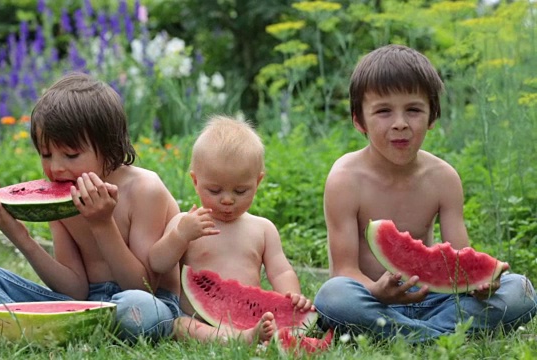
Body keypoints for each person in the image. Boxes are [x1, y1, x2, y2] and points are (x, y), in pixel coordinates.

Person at [314, 44, 537, 343]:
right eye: (383, 111)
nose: (400, 123)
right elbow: (344, 271)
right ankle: (445, 336)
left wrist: (480, 285)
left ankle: (409, 336)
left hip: (437, 300)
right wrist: (376, 291)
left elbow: (460, 265)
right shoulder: (345, 179)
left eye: (414, 110)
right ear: (358, 120)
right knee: (334, 296)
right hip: (373, 298)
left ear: (432, 117)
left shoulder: (443, 178)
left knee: (520, 290)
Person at [0, 72, 182, 343]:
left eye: (71, 155)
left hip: (146, 301)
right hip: (83, 306)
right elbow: (75, 290)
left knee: (136, 308)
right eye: (46, 155)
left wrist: (103, 224)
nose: (56, 168)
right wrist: (21, 238)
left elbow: (144, 286)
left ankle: (44, 330)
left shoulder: (144, 190)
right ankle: (53, 329)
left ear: (109, 148)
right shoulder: (61, 195)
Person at [148, 115, 314, 345]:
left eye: (240, 191)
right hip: (196, 318)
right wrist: (181, 236)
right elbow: (157, 263)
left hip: (250, 317)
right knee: (179, 326)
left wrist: (292, 299)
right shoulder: (184, 222)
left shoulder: (263, 228)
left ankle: (254, 334)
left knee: (274, 325)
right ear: (195, 182)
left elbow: (281, 271)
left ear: (258, 182)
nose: (227, 200)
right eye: (215, 190)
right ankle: (237, 340)